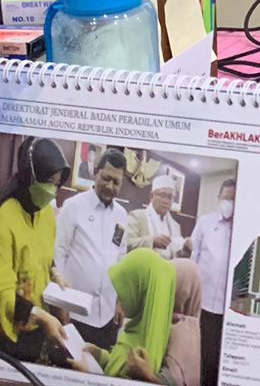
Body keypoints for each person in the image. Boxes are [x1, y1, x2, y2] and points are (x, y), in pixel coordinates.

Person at [0, 137, 71, 358]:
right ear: (30, 176)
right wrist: (40, 316)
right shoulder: (4, 219)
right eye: (48, 181)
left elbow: (42, 255)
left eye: (57, 183)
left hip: (28, 327)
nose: (52, 191)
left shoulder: (45, 213)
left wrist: (56, 277)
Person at [34, 248, 186, 382]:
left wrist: (88, 377)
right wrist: (101, 356)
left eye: (126, 289)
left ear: (140, 292)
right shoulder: (150, 334)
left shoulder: (137, 353)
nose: (118, 297)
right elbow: (118, 370)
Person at [55, 149, 131, 348]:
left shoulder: (122, 215)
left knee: (100, 364)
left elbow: (121, 258)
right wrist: (61, 302)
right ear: (95, 172)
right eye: (106, 178)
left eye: (116, 182)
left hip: (107, 314)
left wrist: (120, 301)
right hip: (75, 312)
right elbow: (59, 253)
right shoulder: (73, 206)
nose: (110, 186)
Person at [187, 180, 234, 386]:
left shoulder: (242, 227)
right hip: (203, 305)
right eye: (226, 198)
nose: (229, 203)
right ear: (218, 198)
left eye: (234, 199)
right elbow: (193, 258)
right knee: (199, 355)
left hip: (228, 309)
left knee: (220, 360)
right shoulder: (205, 222)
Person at [125, 175, 191, 261]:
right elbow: (126, 244)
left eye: (170, 197)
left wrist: (185, 249)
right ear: (151, 196)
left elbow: (176, 255)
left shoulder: (175, 226)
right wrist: (153, 242)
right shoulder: (137, 216)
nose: (166, 201)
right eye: (162, 195)